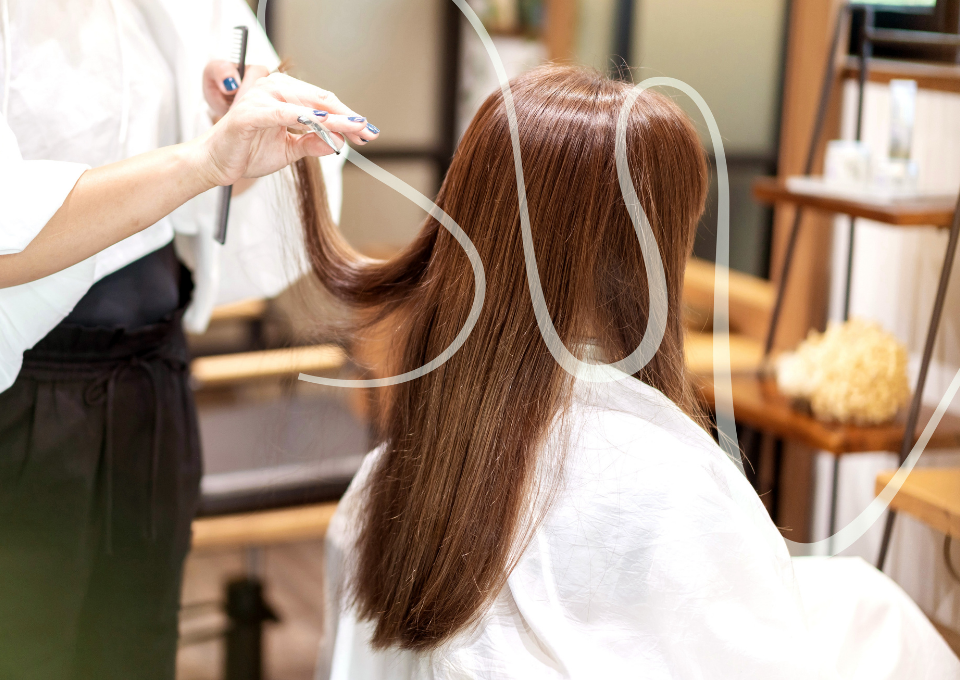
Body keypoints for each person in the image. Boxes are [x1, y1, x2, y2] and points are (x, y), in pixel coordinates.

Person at [298, 66, 960, 679]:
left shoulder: (386, 481)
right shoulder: (664, 483)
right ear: (643, 262)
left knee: (860, 600)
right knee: (883, 617)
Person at [0, 0, 378, 678]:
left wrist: (238, 121)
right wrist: (204, 159)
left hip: (154, 376)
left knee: (137, 646)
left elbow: (227, 169)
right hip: (21, 394)